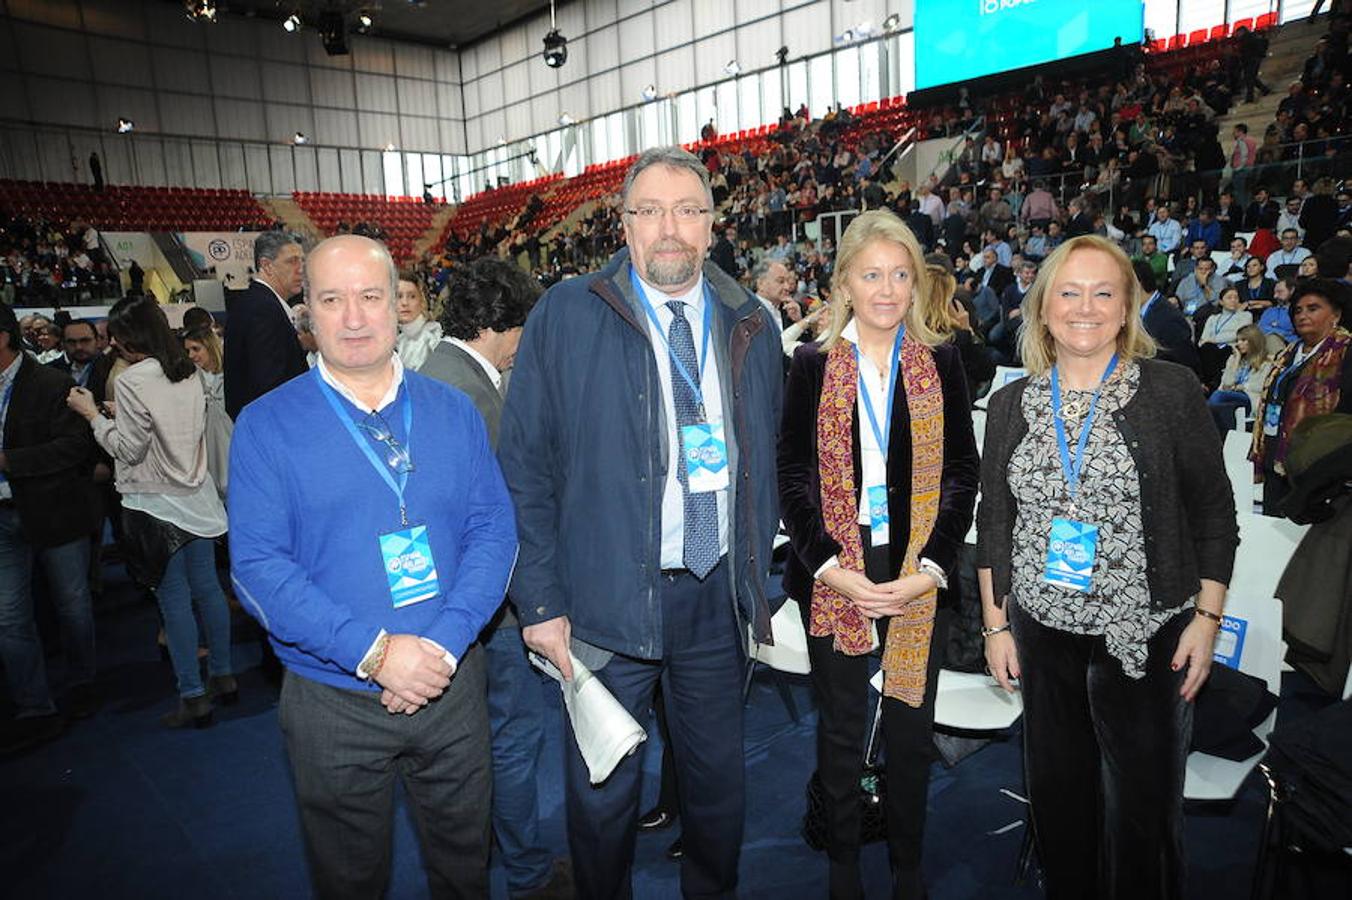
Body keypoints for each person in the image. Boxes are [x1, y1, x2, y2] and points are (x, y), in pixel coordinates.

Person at [498, 146, 782, 899]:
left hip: (715, 599)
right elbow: (523, 466)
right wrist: (542, 600)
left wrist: (756, 576)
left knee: (719, 785)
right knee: (602, 793)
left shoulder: (751, 322)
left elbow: (768, 456)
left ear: (713, 227)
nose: (669, 229)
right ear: (622, 226)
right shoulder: (565, 314)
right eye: (649, 210)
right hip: (603, 601)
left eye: (688, 211)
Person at [228, 235, 518, 898]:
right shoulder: (266, 425)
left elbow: (493, 533)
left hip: (452, 685)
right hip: (332, 697)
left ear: (399, 306)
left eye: (370, 297)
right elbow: (258, 567)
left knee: (464, 867)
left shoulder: (451, 410)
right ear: (307, 312)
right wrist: (375, 653)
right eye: (332, 299)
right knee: (349, 881)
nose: (353, 317)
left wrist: (443, 645)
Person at [976, 235, 1239, 899]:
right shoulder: (1013, 404)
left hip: (1144, 638)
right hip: (1041, 631)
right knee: (1060, 806)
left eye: (1103, 293)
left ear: (1126, 309)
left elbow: (1213, 513)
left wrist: (1207, 620)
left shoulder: (1170, 390)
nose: (1084, 307)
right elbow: (995, 522)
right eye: (1068, 292)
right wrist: (995, 626)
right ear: (1042, 310)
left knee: (1142, 819)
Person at [777, 210, 978, 898]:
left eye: (900, 275)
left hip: (918, 568)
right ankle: (842, 864)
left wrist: (929, 569)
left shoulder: (943, 361)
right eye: (872, 275)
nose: (887, 290)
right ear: (845, 284)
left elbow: (960, 474)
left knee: (910, 728)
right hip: (838, 570)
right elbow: (794, 477)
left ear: (916, 283)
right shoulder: (809, 365)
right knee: (840, 730)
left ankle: (908, 864)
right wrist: (832, 568)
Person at [418, 257, 571, 898]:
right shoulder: (470, 394)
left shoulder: (436, 374)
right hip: (493, 605)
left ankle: (483, 848)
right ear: (497, 324)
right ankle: (529, 873)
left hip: (453, 602)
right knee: (513, 737)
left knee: (479, 739)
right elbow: (503, 511)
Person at [66, 296, 234, 728]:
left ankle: (193, 696)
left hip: (156, 503)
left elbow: (128, 447)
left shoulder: (133, 380)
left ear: (124, 337)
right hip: (197, 496)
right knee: (208, 590)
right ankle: (224, 676)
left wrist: (92, 416)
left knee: (174, 601)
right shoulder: (190, 371)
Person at [0, 303, 98, 754]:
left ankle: (82, 684)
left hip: (56, 511)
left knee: (72, 606)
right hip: (3, 517)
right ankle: (34, 706)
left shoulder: (51, 383)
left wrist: (10, 462)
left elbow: (75, 448)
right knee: (9, 618)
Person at [1250, 279, 1352, 516]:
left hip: (1317, 467)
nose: (1302, 315)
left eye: (1313, 308)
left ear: (1335, 314)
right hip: (1276, 457)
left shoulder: (1345, 352)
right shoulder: (1289, 352)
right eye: (1297, 310)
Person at [223, 231, 308, 419]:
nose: (300, 268)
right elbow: (269, 387)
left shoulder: (257, 303)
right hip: (273, 429)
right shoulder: (263, 310)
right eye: (292, 261)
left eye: (301, 261)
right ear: (267, 266)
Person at [1208, 324, 1272, 434]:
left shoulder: (1266, 363)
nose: (1239, 344)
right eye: (1237, 340)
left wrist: (1242, 387)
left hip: (1249, 400)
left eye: (1243, 340)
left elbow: (1260, 387)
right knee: (1220, 406)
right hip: (1231, 398)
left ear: (1254, 341)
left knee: (1218, 396)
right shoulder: (1233, 359)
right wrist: (1236, 359)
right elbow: (1227, 384)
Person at [1197, 286, 1255, 389]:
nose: (1233, 300)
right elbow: (1204, 338)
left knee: (1217, 349)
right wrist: (1208, 341)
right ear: (1221, 302)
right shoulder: (1213, 318)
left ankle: (1212, 385)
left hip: (1231, 347)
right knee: (1205, 348)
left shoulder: (1245, 316)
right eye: (1229, 297)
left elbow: (1239, 334)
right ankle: (1206, 383)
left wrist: (1214, 339)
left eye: (1236, 298)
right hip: (1211, 348)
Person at [394, 273, 442, 372]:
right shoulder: (399, 339)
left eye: (412, 296)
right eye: (399, 296)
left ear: (422, 300)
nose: (405, 303)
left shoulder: (433, 337)